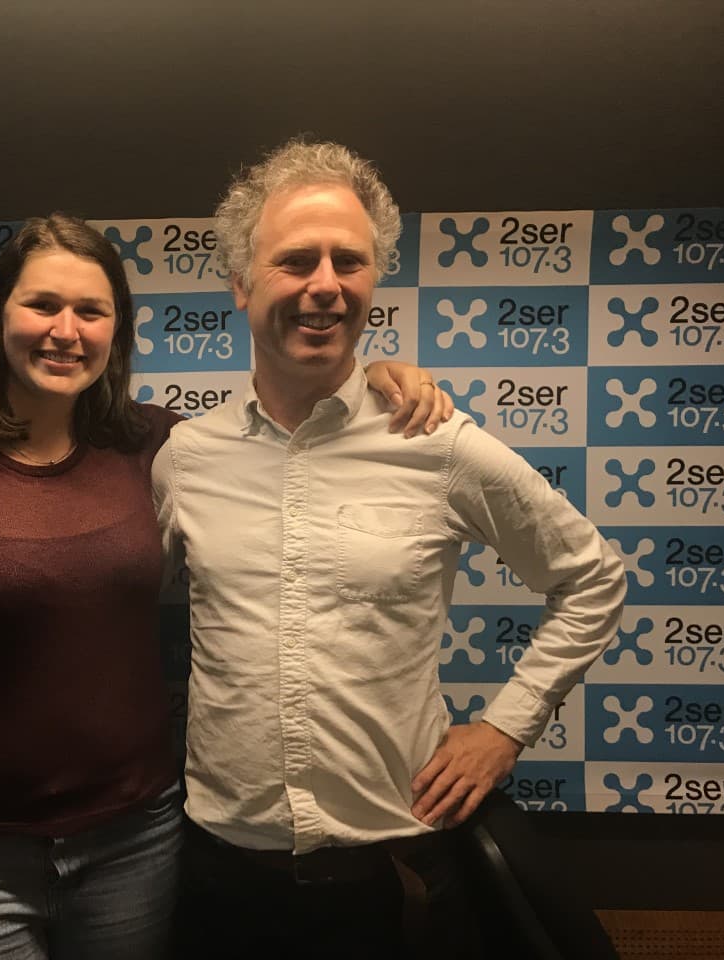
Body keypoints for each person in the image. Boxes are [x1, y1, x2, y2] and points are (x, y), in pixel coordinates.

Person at [0, 211, 451, 960]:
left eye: (91, 311)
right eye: (42, 305)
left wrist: (378, 380)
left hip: (134, 844)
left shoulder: (158, 446)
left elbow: (287, 430)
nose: (66, 331)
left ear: (117, 331)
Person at [152, 139, 628, 958]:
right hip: (218, 879)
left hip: (395, 883)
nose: (326, 284)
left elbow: (593, 578)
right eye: (295, 260)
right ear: (239, 282)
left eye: (350, 261)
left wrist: (506, 728)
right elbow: (129, 610)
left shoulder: (437, 442)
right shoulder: (185, 458)